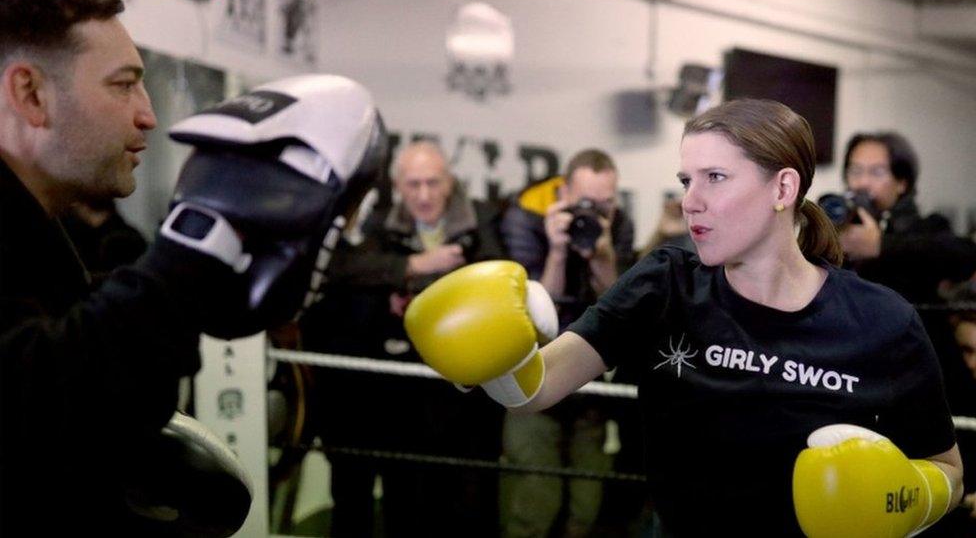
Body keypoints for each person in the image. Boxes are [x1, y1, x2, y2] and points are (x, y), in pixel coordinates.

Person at [405, 99, 963, 537]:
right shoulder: (667, 283)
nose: (690, 201)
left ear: (783, 187)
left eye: (715, 178)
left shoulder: (882, 321)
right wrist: (497, 352)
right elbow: (536, 388)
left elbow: (949, 471)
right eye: (685, 180)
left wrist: (901, 502)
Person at [0, 0, 387, 533]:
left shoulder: (38, 232)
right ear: (31, 93)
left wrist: (200, 283)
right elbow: (30, 403)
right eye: (123, 83)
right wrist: (194, 250)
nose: (148, 115)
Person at [301, 140, 505, 537]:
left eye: (433, 183)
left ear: (449, 182)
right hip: (393, 394)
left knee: (462, 500)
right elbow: (341, 269)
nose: (424, 195)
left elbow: (498, 280)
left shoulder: (481, 220)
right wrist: (411, 266)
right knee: (398, 500)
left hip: (464, 392)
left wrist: (434, 296)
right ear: (397, 185)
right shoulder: (381, 223)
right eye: (414, 184)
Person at [498, 148, 635, 538]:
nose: (594, 212)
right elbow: (535, 316)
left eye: (604, 203)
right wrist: (557, 251)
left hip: (590, 383)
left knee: (585, 503)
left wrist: (603, 255)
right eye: (585, 203)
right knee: (535, 499)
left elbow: (622, 305)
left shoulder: (617, 224)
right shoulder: (526, 218)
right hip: (534, 374)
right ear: (563, 195)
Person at [839, 132, 976, 430]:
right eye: (855, 170)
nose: (863, 182)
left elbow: (963, 255)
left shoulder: (927, 228)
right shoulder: (840, 231)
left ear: (902, 182)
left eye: (877, 172)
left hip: (922, 378)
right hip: (858, 375)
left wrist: (881, 247)